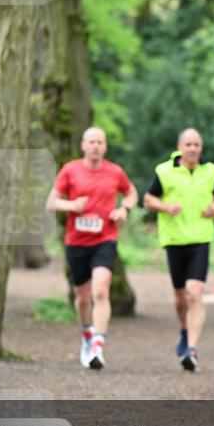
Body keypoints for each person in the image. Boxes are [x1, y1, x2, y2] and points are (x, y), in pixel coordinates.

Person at [46, 127, 138, 370]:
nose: (96, 146)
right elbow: (51, 202)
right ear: (83, 145)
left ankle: (97, 345)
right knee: (83, 297)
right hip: (76, 241)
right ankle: (87, 332)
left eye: (100, 142)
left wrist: (124, 209)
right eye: (91, 142)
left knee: (100, 290)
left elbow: (131, 193)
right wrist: (72, 206)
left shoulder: (115, 172)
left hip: (105, 239)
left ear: (105, 146)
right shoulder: (70, 170)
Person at [144, 128, 214, 371]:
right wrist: (166, 207)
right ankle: (184, 329)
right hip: (174, 239)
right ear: (180, 147)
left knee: (194, 293)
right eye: (188, 144)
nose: (192, 148)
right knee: (180, 297)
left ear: (201, 147)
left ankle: (191, 349)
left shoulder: (211, 170)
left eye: (196, 144)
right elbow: (148, 199)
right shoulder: (164, 171)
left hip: (200, 237)